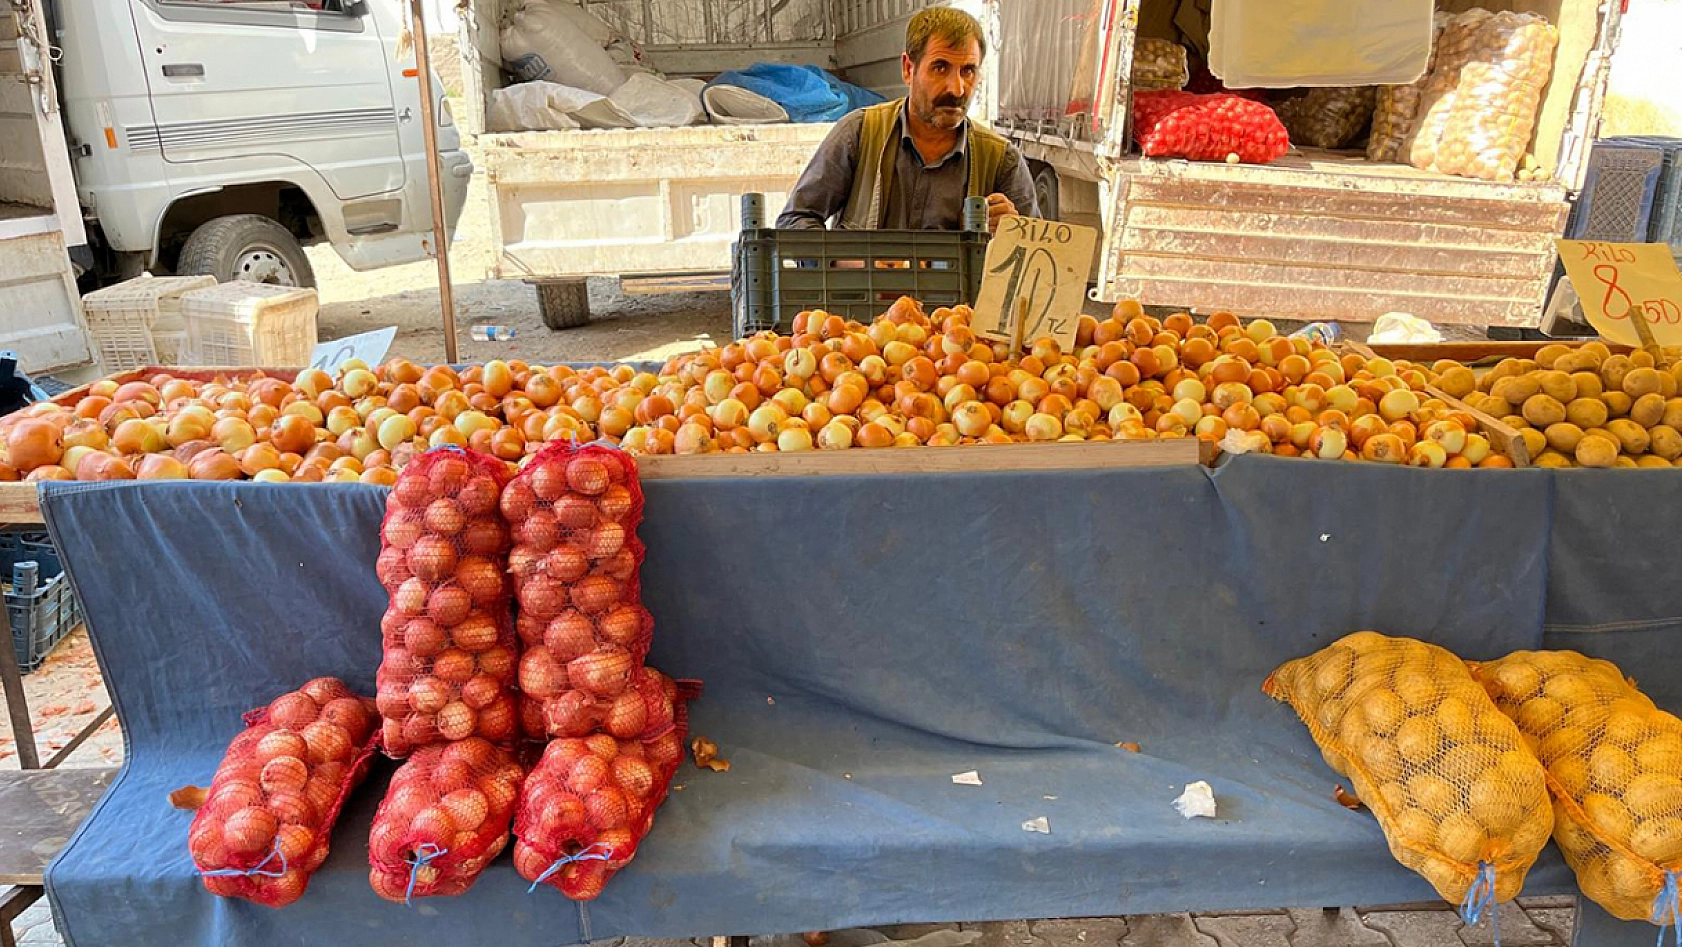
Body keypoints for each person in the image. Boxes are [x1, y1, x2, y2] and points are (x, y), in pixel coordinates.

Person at [776, 8, 1038, 233]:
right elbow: (795, 220)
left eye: (968, 71)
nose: (957, 89)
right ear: (908, 69)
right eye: (940, 68)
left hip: (962, 295)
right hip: (868, 292)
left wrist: (1011, 236)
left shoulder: (1001, 160)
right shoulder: (858, 134)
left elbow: (1039, 263)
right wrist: (847, 262)